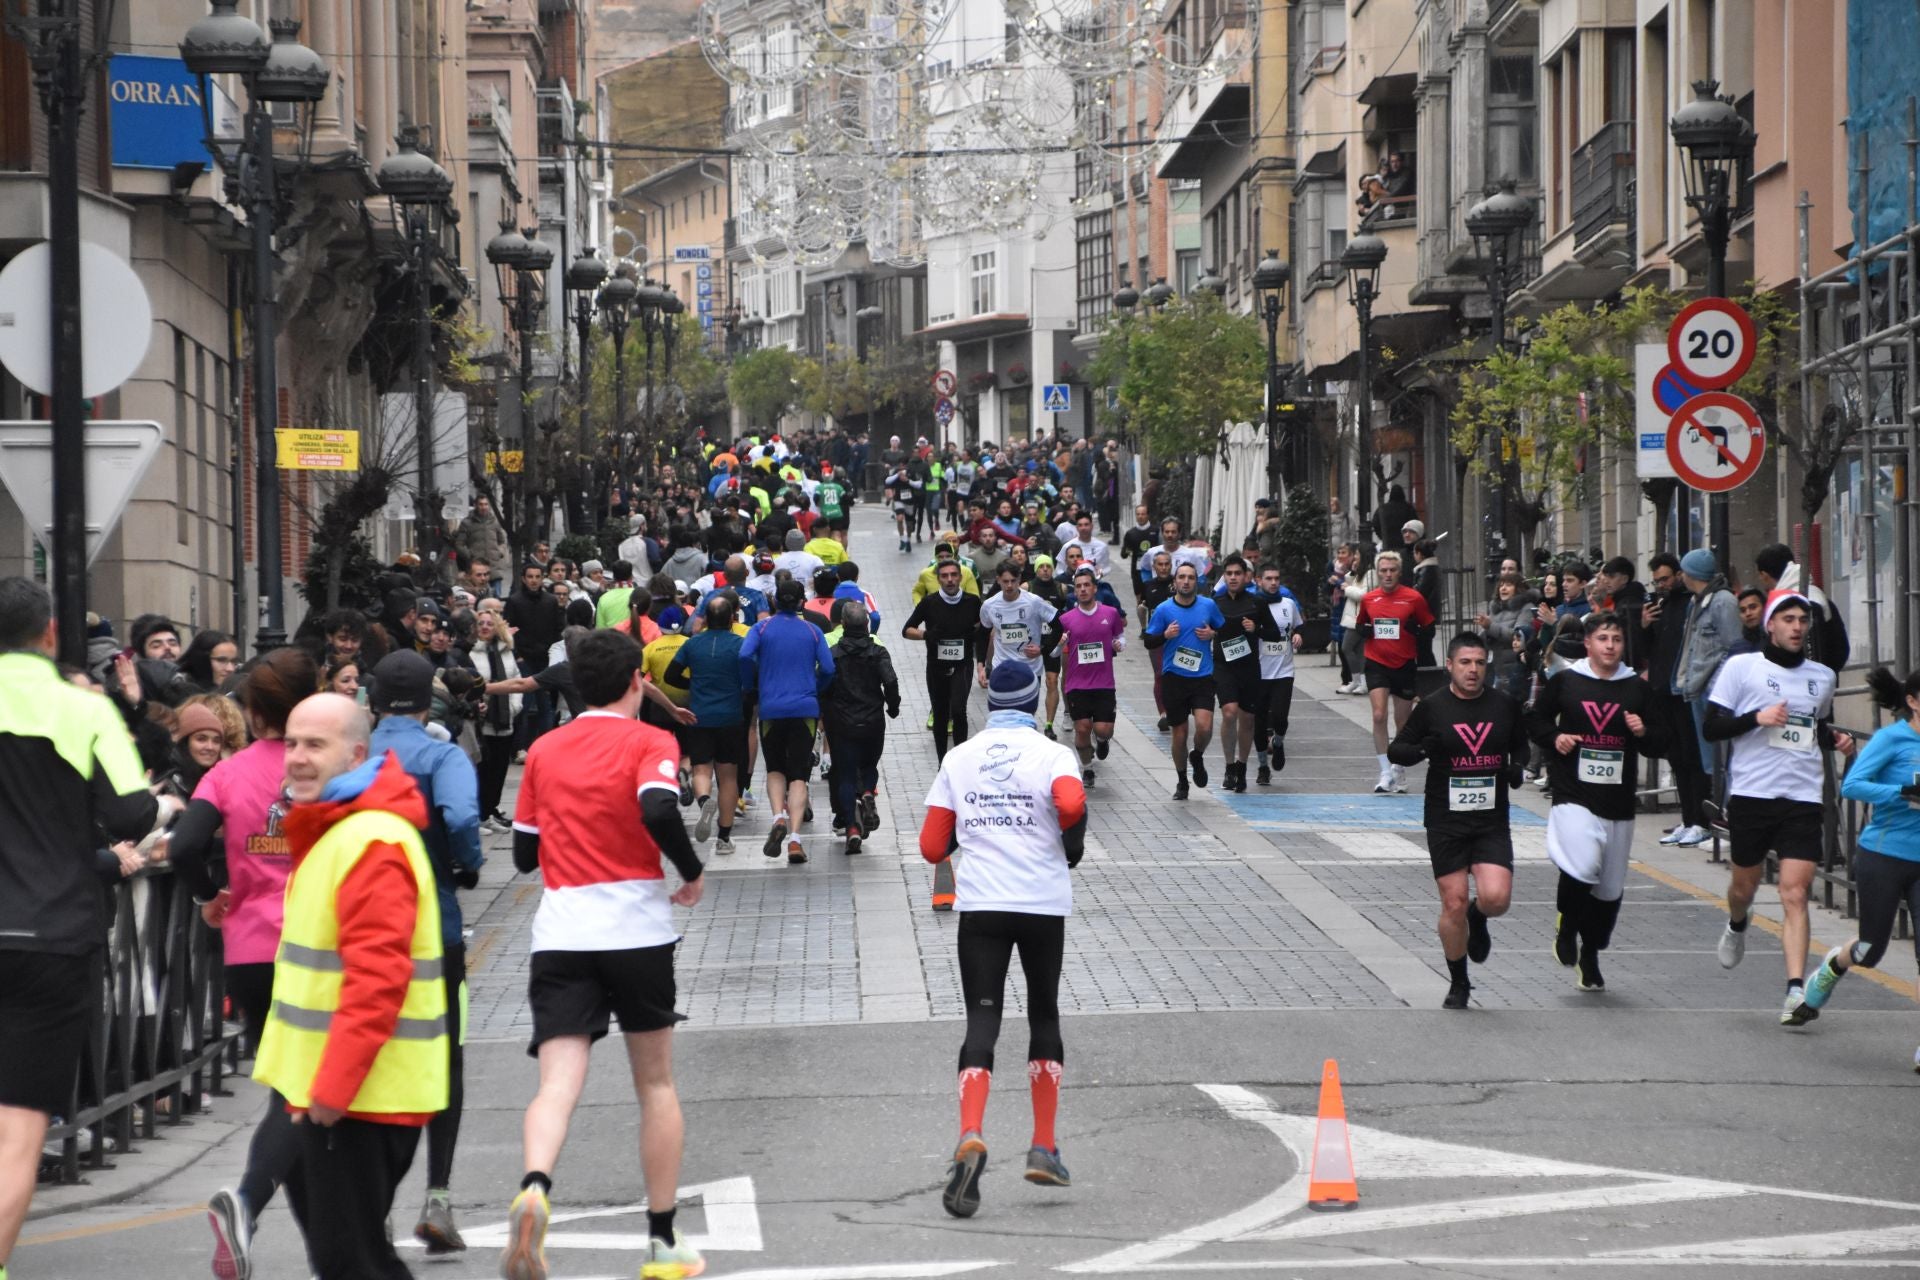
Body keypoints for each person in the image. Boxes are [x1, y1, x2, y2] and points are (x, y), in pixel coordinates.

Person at [499, 630, 707, 1280]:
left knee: (557, 1085)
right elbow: (656, 806)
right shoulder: (653, 740)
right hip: (637, 930)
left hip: (562, 932)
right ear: (637, 681)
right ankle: (662, 1241)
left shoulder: (546, 749)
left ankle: (534, 1187)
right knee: (655, 1084)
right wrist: (691, 869)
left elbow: (525, 854)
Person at [0, 580, 167, 1280]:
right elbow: (132, 814)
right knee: (19, 1122)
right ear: (49, 635)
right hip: (53, 931)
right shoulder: (82, 709)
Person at [249, 693, 448, 1280]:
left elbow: (377, 977)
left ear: (358, 753)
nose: (298, 759)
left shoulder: (371, 841)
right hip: (337, 1093)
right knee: (358, 1261)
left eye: (316, 745)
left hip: (359, 1097)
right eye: (291, 743)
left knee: (349, 1263)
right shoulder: (341, 829)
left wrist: (330, 1089)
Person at [920, 662, 1088, 1219]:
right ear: (1038, 697)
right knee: (1044, 1014)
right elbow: (1068, 805)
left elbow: (930, 845)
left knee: (981, 1021)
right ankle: (1043, 1145)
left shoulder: (959, 756)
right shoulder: (1053, 753)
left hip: (983, 906)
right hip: (1041, 904)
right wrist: (1067, 834)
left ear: (987, 698)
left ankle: (970, 1133)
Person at [170, 647, 315, 1280]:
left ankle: (326, 1252)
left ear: (253, 715)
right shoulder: (324, 765)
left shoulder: (226, 777)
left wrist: (209, 895)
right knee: (302, 1096)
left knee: (291, 1093)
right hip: (315, 950)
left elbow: (184, 845)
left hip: (251, 951)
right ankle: (248, 1201)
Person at [366, 651, 484, 1251]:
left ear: (373, 698)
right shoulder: (441, 755)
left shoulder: (353, 757)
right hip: (432, 931)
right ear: (427, 702)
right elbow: (463, 816)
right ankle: (437, 1195)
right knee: (446, 1060)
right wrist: (465, 864)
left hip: (358, 936)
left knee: (373, 1062)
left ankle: (375, 1205)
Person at [1702, 591, 1853, 1025]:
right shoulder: (1741, 668)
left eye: (1802, 620)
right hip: (1752, 795)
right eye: (1787, 619)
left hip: (1803, 797)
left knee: (1795, 892)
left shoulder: (1821, 676)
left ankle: (1794, 991)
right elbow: (1712, 727)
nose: (1796, 628)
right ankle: (1737, 922)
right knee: (1743, 888)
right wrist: (1757, 718)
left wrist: (1836, 741)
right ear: (1769, 624)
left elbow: (1813, 727)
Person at [1389, 633, 1528, 1009]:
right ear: (1449, 665)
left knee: (1496, 899)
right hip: (1445, 819)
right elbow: (1396, 749)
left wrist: (1517, 766)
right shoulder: (1433, 707)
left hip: (1490, 819)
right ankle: (1459, 982)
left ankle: (1478, 918)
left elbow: (1521, 743)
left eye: (1480, 663)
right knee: (1453, 901)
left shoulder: (1504, 705)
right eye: (1465, 663)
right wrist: (1421, 750)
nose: (1473, 670)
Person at [1527, 611, 1664, 993]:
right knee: (1582, 864)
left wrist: (1643, 731)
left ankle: (1592, 952)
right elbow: (1535, 720)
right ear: (1588, 643)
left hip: (1618, 801)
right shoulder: (1567, 681)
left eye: (1617, 640)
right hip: (1573, 792)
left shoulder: (1636, 687)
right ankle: (1566, 926)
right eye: (1603, 639)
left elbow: (1662, 740)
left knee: (1608, 892)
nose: (1610, 646)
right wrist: (1556, 738)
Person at [1806, 666, 1920, 1053]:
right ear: (1913, 701)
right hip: (1885, 854)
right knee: (1871, 951)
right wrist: (1902, 791)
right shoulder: (1892, 739)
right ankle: (1832, 968)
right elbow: (1853, 785)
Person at [740, 578, 837, 864]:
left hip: (771, 709)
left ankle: (777, 818)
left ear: (774, 601)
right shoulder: (812, 630)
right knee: (798, 775)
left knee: (774, 770)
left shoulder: (762, 628)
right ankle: (795, 839)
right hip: (805, 710)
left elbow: (744, 656)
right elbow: (829, 669)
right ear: (800, 602)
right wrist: (815, 689)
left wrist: (752, 686)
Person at [667, 593, 753, 857]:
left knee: (701, 768)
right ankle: (724, 838)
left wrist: (692, 686)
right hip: (730, 717)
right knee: (728, 777)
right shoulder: (741, 645)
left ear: (704, 619)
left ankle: (704, 800)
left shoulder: (693, 644)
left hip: (699, 715)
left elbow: (671, 675)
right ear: (732, 618)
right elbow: (751, 680)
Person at [1144, 562, 1227, 800]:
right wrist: (1165, 635)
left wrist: (1213, 634)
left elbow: (1226, 630)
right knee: (1179, 734)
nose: (1186, 581)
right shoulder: (1163, 610)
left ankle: (1197, 755)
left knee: (1205, 727)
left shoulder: (1208, 606)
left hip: (1202, 677)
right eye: (1182, 577)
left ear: (1196, 581)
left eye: (1191, 577)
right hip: (1174, 678)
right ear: (1175, 582)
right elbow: (1149, 641)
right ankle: (1182, 781)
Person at [1357, 550, 1434, 793]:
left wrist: (1417, 631)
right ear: (1377, 573)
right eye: (1383, 571)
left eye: (1392, 570)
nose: (1388, 575)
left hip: (1404, 664)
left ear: (1399, 572)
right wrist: (1365, 631)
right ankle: (1384, 771)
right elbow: (1360, 624)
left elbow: (1430, 626)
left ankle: (1398, 769)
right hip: (1377, 662)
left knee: (1403, 722)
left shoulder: (1413, 598)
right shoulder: (1369, 599)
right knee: (1379, 715)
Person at [825, 603, 900, 852]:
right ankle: (868, 792)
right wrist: (893, 706)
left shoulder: (833, 654)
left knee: (845, 775)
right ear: (867, 625)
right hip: (872, 721)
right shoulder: (878, 652)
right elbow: (890, 680)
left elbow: (823, 684)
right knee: (869, 766)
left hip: (843, 722)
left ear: (843, 624)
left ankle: (852, 828)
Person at [903, 557, 984, 761]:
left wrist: (975, 640)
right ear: (938, 579)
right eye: (945, 576)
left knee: (958, 710)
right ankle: (942, 761)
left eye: (953, 575)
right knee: (940, 714)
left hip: (962, 665)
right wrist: (925, 635)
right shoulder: (929, 603)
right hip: (936, 666)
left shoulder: (972, 602)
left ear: (960, 577)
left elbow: (983, 627)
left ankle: (959, 760)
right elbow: (907, 630)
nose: (950, 580)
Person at [1056, 565, 1128, 789]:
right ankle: (1087, 768)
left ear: (1095, 588)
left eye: (1087, 585)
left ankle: (1103, 740)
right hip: (1077, 683)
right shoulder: (1066, 619)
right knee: (1083, 728)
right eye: (1078, 586)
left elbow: (1120, 636)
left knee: (1103, 729)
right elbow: (1055, 651)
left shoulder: (1110, 613)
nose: (1083, 589)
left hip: (1104, 682)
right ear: (1074, 592)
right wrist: (1059, 647)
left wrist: (1119, 644)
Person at [1209, 554, 1265, 793]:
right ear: (1224, 576)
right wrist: (1209, 633)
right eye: (1229, 574)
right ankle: (1229, 766)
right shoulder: (1215, 602)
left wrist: (1257, 628)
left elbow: (1273, 632)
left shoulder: (1257, 602)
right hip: (1223, 667)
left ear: (1246, 577)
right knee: (1229, 713)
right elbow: (1205, 627)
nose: (1233, 578)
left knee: (1248, 719)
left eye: (1237, 574)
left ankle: (1242, 766)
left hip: (1249, 668)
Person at [1252, 563, 1305, 783]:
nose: (1273, 582)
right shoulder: (1253, 605)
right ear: (1258, 581)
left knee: (1281, 717)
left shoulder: (1288, 604)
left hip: (1284, 670)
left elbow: (1298, 626)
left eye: (1276, 578)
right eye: (1268, 579)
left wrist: (1298, 636)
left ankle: (1279, 742)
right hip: (1259, 672)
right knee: (1260, 721)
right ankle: (1263, 766)